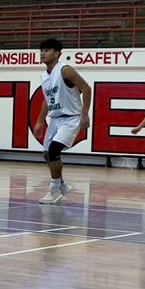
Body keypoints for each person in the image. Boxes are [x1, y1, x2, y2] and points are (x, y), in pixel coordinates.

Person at [32, 38, 92, 205]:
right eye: (41, 50)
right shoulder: (44, 76)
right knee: (47, 155)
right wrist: (39, 121)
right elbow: (47, 100)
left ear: (57, 53)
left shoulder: (65, 70)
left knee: (54, 150)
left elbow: (87, 88)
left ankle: (54, 190)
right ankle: (62, 184)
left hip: (71, 117)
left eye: (47, 50)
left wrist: (84, 114)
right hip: (55, 119)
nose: (43, 53)